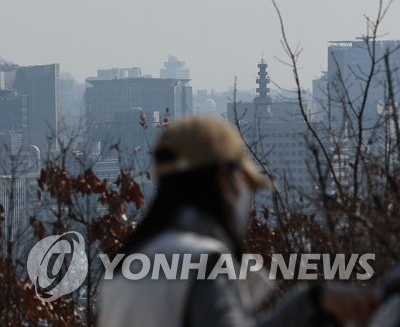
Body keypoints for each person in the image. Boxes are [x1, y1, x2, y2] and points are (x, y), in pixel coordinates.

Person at [98, 115, 381, 327]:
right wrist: (310, 303)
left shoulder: (128, 267)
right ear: (224, 179)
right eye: (245, 182)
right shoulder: (201, 260)